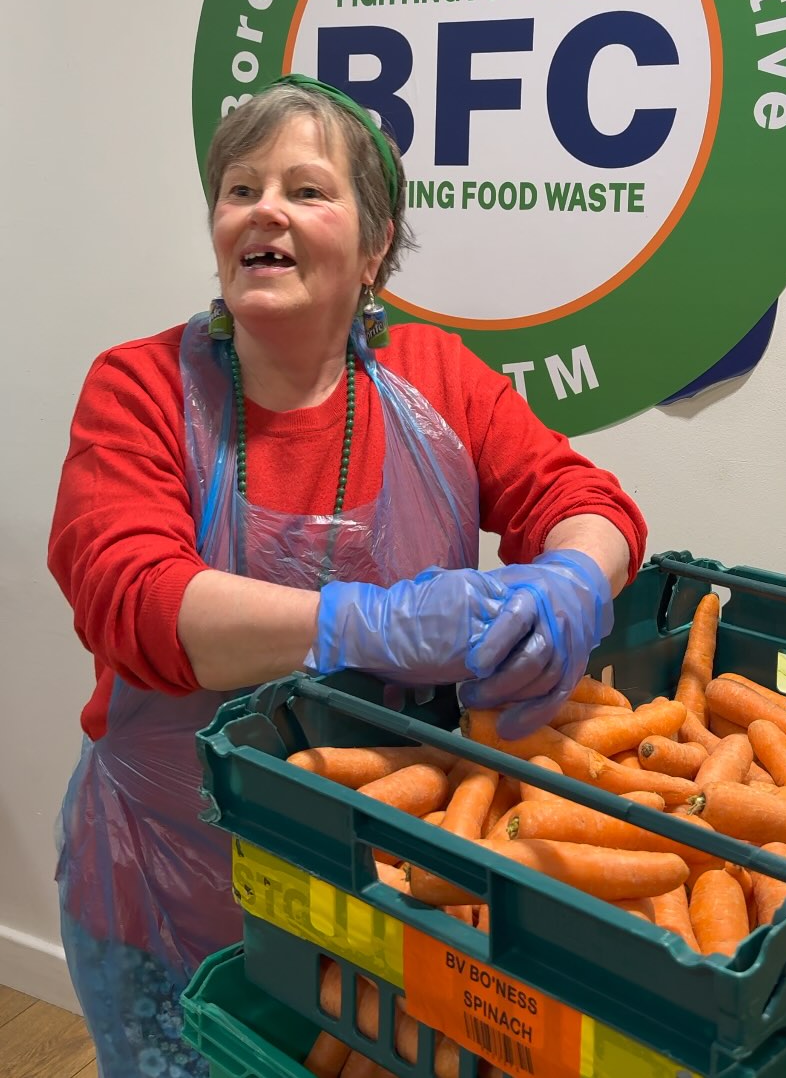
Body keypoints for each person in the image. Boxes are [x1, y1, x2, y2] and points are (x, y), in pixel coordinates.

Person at [48, 74, 647, 1077]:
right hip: (172, 881)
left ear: (374, 248)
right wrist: (365, 620)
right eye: (240, 188)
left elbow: (581, 494)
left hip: (383, 888)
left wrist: (575, 581)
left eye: (305, 187)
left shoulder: (439, 379)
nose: (263, 207)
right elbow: (130, 595)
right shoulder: (144, 384)